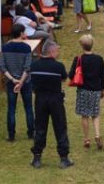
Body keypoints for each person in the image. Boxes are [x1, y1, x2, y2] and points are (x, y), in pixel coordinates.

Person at [30, 41, 74, 169]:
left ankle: (37, 157)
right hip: (55, 99)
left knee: (40, 127)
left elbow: (32, 82)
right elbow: (64, 78)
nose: (57, 53)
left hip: (40, 99)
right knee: (60, 127)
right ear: (51, 52)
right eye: (56, 51)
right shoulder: (58, 66)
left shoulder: (34, 65)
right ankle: (64, 158)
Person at [68, 35, 104, 149]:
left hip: (83, 89)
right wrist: (102, 89)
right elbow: (102, 76)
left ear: (82, 45)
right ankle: (97, 135)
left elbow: (70, 75)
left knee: (84, 115)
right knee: (95, 114)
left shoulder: (79, 59)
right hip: (95, 90)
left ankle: (86, 139)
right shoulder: (99, 59)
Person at [0, 24, 34, 142]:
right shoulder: (26, 48)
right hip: (26, 81)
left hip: (11, 81)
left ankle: (11, 135)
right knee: (28, 108)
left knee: (11, 109)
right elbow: (27, 67)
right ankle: (31, 133)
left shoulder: (5, 47)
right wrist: (21, 81)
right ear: (20, 33)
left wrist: (14, 80)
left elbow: (2, 67)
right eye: (24, 32)